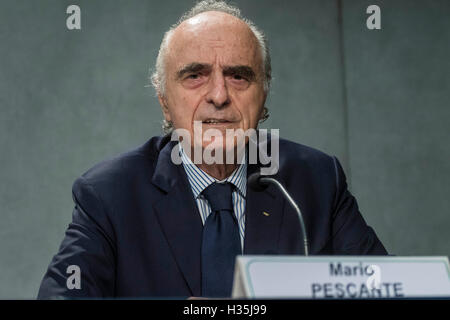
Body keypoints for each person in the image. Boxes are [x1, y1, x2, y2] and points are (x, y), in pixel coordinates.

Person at [37, 0, 387, 299]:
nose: (219, 95)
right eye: (195, 76)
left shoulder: (316, 180)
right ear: (164, 101)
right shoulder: (110, 193)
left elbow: (384, 287)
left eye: (238, 76)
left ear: (262, 97)